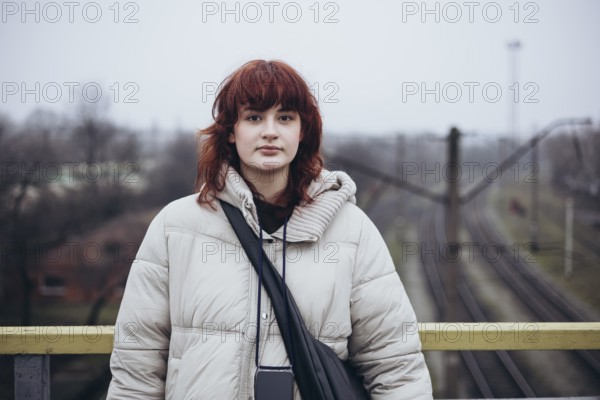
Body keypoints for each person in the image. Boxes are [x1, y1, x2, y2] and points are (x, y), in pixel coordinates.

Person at [107, 59, 432, 399]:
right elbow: (137, 368)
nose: (270, 131)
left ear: (302, 130)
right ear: (231, 131)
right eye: (254, 117)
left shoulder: (352, 231)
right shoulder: (176, 228)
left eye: (285, 118)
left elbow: (395, 364)